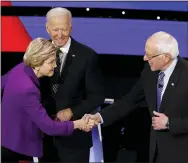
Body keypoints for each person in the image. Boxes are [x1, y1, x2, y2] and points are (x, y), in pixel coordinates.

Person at [83, 31, 188, 163]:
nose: (144, 58)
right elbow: (129, 101)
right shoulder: (149, 72)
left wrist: (170, 123)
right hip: (156, 153)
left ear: (166, 57)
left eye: (149, 55)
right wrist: (99, 117)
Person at [1, 38, 94, 162]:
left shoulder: (20, 69)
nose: (55, 66)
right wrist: (78, 123)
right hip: (12, 146)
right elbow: (49, 128)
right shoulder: (28, 89)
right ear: (37, 63)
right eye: (51, 62)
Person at [39, 7, 105, 162]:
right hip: (44, 136)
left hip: (74, 139)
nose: (60, 34)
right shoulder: (38, 53)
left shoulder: (87, 56)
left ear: (71, 27)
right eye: (55, 29)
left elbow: (97, 96)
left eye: (64, 29)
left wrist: (72, 111)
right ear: (47, 29)